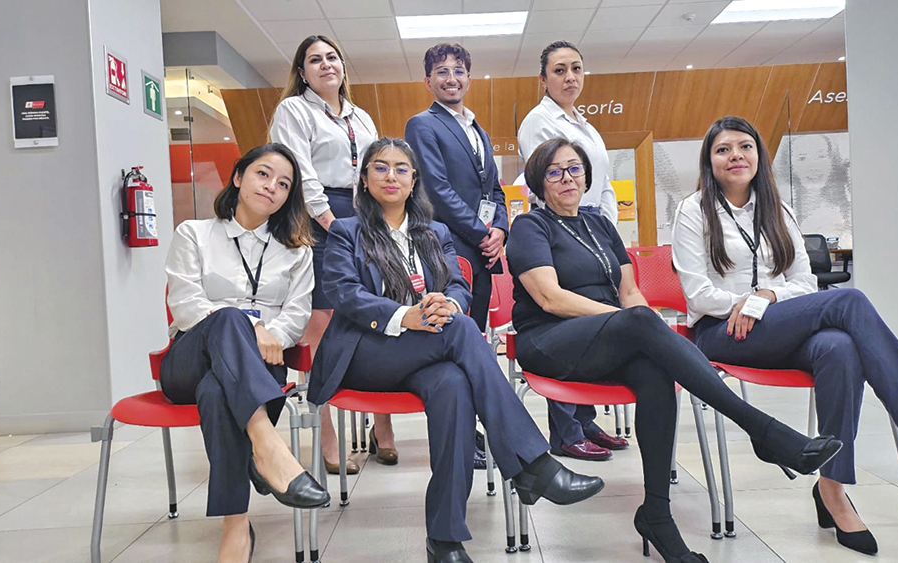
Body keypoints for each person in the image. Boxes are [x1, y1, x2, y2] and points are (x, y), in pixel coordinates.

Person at [506, 137, 843, 563]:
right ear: (540, 182)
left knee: (655, 371)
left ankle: (656, 513)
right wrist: (629, 320)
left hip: (604, 339)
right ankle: (763, 430)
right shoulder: (530, 227)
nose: (567, 178)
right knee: (641, 322)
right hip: (550, 341)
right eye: (554, 172)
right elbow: (551, 298)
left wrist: (634, 320)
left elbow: (630, 291)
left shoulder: (600, 224)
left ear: (587, 176)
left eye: (574, 168)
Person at [671, 116, 898, 556]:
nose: (736, 155)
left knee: (840, 347)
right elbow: (698, 294)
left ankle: (831, 488)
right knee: (849, 302)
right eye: (723, 149)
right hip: (721, 332)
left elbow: (804, 282)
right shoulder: (692, 211)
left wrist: (766, 297)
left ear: (759, 156)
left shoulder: (777, 209)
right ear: (709, 161)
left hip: (775, 324)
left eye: (745, 146)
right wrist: (745, 304)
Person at [307, 138, 605, 563]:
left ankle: (444, 540)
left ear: (414, 181)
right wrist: (405, 316)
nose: (391, 176)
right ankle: (533, 465)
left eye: (401, 169)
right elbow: (344, 293)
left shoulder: (436, 232)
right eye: (380, 167)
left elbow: (458, 285)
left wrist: (447, 303)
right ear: (365, 179)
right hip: (365, 353)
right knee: (462, 331)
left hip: (426, 351)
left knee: (452, 384)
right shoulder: (346, 231)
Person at [162, 143, 330, 563]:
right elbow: (185, 305)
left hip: (257, 368)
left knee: (217, 392)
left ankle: (236, 526)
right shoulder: (193, 234)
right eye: (263, 174)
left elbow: (296, 316)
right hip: (189, 360)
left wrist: (269, 335)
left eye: (284, 184)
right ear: (238, 177)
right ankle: (268, 446)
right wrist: (253, 327)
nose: (272, 186)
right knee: (229, 319)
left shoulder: (298, 252)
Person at [270, 35, 396, 473]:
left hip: (366, 215)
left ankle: (383, 425)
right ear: (302, 72)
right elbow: (300, 171)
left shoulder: (361, 116)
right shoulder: (294, 110)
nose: (326, 65)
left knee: (379, 313)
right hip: (317, 218)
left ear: (343, 66)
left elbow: (376, 168)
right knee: (320, 325)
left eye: (332, 57)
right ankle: (327, 438)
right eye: (315, 60)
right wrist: (329, 220)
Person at [517, 40, 626, 460]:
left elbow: (604, 182)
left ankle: (585, 422)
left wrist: (606, 229)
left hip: (590, 224)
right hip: (558, 228)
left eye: (576, 69)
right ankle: (566, 429)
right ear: (543, 79)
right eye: (559, 70)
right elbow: (545, 176)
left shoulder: (585, 124)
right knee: (564, 319)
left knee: (596, 316)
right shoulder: (539, 121)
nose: (570, 77)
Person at [405, 43, 508, 333]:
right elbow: (436, 191)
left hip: (483, 250)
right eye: (442, 72)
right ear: (428, 82)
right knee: (452, 330)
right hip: (450, 246)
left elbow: (495, 189)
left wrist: (501, 229)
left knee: (477, 329)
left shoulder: (479, 131)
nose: (452, 79)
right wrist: (483, 234)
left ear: (469, 79)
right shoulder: (422, 125)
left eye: (459, 71)